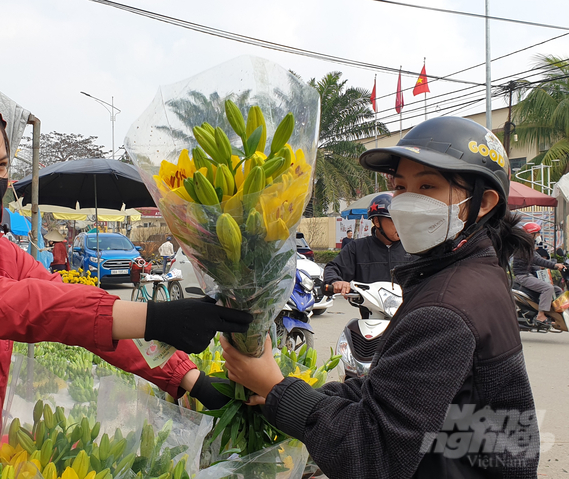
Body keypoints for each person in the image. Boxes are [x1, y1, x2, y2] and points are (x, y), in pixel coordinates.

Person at [0, 85, 252, 475]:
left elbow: (74, 307)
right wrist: (153, 316)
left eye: (1, 166)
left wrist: (187, 377)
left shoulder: (1, 255)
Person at [222, 117, 540, 478]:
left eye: (427, 186)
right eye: (401, 186)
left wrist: (276, 388)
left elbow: (371, 452)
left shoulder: (446, 308)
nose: (405, 202)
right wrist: (292, 393)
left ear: (483, 202)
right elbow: (398, 392)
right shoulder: (478, 274)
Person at [324, 193, 413, 317]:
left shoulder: (414, 248)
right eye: (395, 220)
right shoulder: (357, 248)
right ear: (377, 221)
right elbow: (333, 268)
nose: (401, 225)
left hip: (409, 319)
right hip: (371, 319)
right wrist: (336, 282)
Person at [513, 222, 565, 324]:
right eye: (537, 233)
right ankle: (541, 316)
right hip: (523, 276)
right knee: (547, 288)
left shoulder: (529, 246)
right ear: (531, 235)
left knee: (557, 289)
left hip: (529, 275)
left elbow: (535, 263)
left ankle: (557, 316)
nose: (539, 236)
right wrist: (554, 266)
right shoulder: (524, 246)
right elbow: (537, 260)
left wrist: (554, 264)